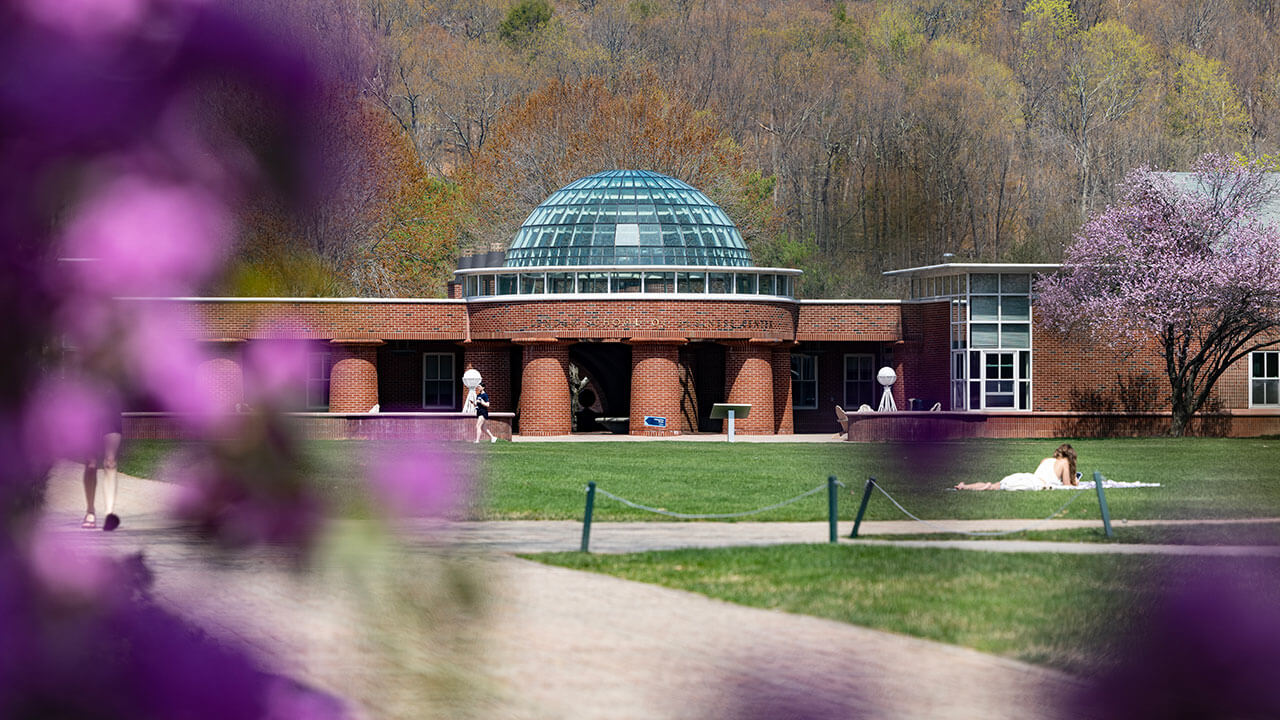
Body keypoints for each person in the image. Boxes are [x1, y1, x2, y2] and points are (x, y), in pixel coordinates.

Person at [954, 443, 1078, 491]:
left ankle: (964, 486)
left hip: (1025, 476)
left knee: (994, 484)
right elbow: (1067, 486)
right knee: (992, 487)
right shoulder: (1064, 463)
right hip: (1035, 483)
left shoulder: (1046, 460)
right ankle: (983, 488)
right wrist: (1075, 483)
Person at [83, 401, 124, 531]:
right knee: (91, 464)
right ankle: (90, 511)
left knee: (110, 462)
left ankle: (109, 514)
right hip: (88, 410)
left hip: (111, 409)